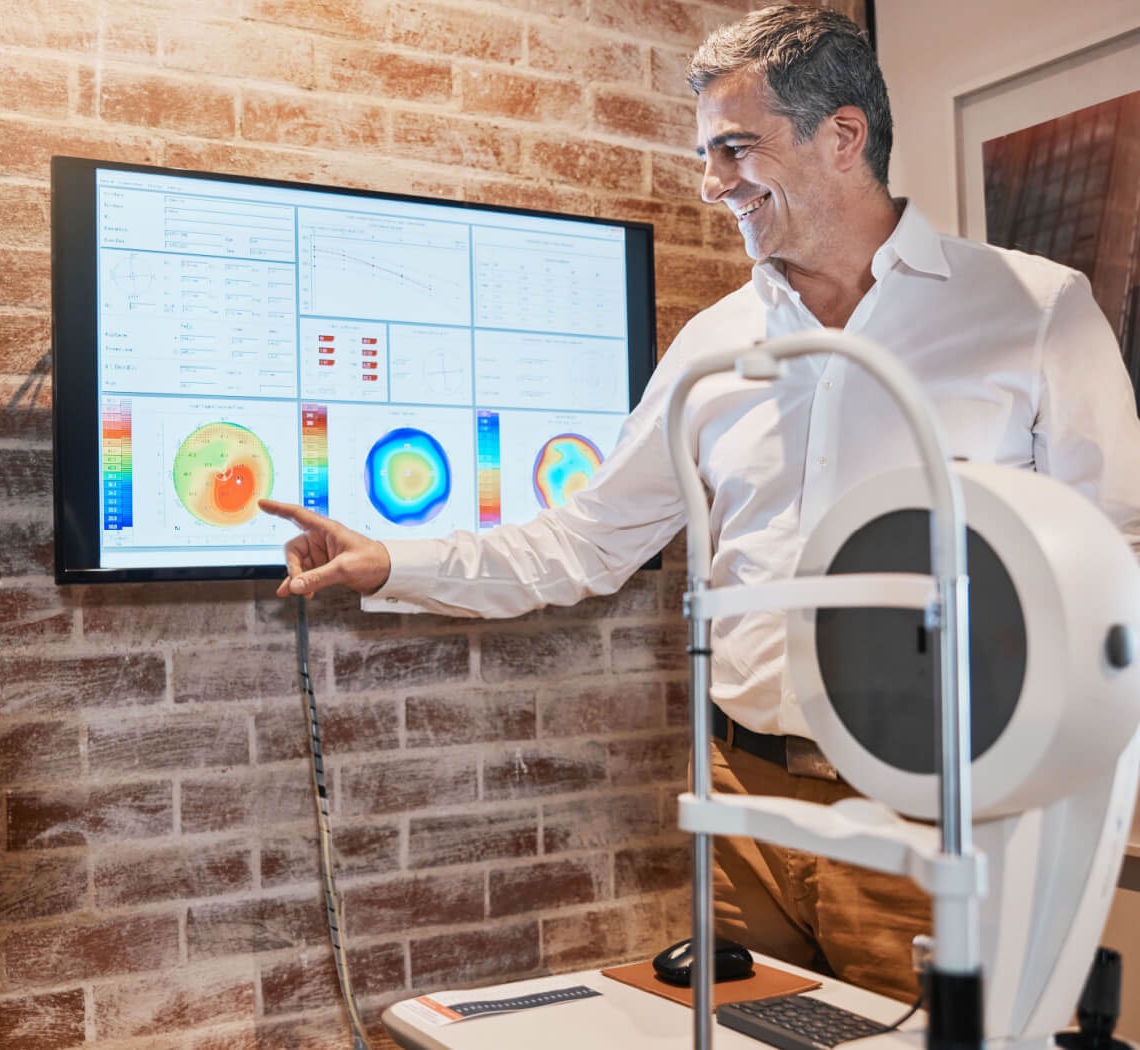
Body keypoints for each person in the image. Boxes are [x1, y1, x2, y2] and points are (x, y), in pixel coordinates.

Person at [259, 3, 1140, 1003]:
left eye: (735, 149)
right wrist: (393, 563)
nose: (714, 183)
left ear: (841, 137)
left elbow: (1115, 560)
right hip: (742, 803)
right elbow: (585, 542)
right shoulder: (711, 345)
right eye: (704, 155)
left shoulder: (1031, 308)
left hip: (935, 809)